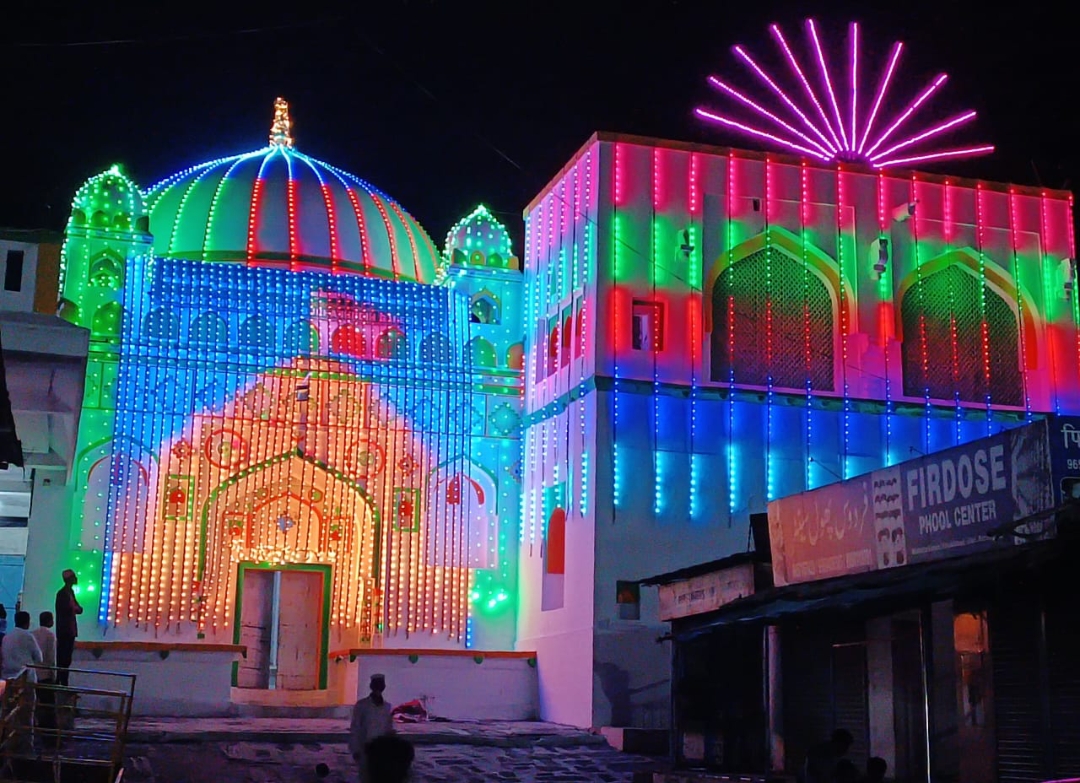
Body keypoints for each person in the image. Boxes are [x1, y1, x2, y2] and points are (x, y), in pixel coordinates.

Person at [349, 673, 395, 782]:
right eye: (376, 685)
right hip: (365, 750)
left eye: (380, 685)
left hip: (382, 751)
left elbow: (389, 729)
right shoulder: (362, 705)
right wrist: (355, 749)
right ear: (371, 686)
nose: (378, 688)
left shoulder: (387, 707)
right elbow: (355, 728)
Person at [55, 569, 83, 687]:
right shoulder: (63, 594)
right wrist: (74, 609)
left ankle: (61, 680)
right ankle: (62, 681)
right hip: (65, 630)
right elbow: (73, 609)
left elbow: (78, 608)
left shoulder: (69, 592)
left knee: (66, 657)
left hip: (68, 630)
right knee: (64, 657)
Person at [33, 611, 59, 734]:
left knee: (35, 704)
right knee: (48, 706)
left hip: (34, 674)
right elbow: (51, 658)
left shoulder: (33, 634)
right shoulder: (50, 635)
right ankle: (49, 733)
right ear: (49, 621)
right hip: (45, 675)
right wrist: (54, 674)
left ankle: (37, 728)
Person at [1, 611, 42, 682]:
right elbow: (39, 658)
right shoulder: (28, 636)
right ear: (28, 622)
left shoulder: (6, 637)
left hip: (7, 677)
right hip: (25, 678)